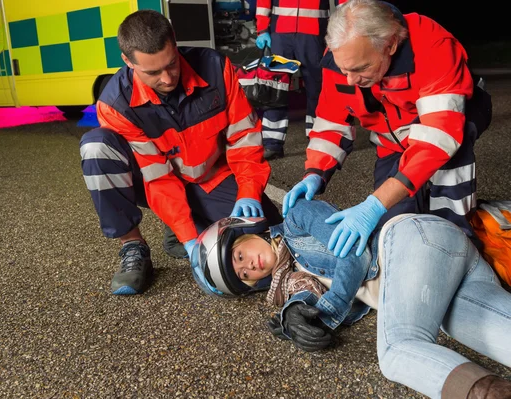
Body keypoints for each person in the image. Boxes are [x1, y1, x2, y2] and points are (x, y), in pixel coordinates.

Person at [191, 199, 511, 398]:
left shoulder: (298, 219)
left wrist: (328, 311)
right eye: (243, 274)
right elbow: (306, 292)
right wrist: (295, 314)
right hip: (443, 266)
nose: (249, 265)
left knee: (398, 349)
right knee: (469, 325)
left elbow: (354, 254)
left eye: (239, 255)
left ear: (244, 233)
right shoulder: (292, 276)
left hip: (411, 239)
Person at [79, 10, 281, 295]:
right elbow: (158, 176)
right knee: (96, 146)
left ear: (175, 42)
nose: (167, 77)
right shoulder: (116, 104)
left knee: (269, 234)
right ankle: (133, 244)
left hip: (210, 176)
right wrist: (190, 238)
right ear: (128, 62)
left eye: (172, 63)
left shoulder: (216, 69)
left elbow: (245, 140)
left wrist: (248, 191)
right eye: (153, 72)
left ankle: (183, 224)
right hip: (152, 180)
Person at [282, 0, 492, 259]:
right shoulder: (344, 54)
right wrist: (314, 172)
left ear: (391, 44)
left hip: (450, 122)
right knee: (392, 225)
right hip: (394, 139)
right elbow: (330, 122)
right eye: (344, 69)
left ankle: (459, 243)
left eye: (360, 69)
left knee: (447, 188)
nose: (349, 80)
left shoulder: (432, 44)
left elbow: (438, 139)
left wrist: (374, 203)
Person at [254, 0, 347, 160]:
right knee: (276, 88)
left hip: (314, 35)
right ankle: (272, 143)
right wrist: (262, 29)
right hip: (281, 35)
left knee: (317, 89)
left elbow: (344, 3)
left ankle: (318, 138)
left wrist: (344, 30)